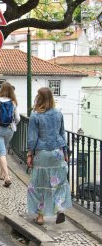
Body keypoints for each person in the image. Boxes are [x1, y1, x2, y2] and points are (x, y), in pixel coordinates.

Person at [26, 87, 72, 225]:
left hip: (42, 153)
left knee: (39, 184)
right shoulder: (59, 113)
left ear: (38, 98)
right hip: (57, 152)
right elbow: (62, 134)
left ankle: (40, 217)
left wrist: (29, 154)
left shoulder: (35, 115)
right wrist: (65, 152)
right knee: (58, 183)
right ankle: (59, 209)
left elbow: (32, 138)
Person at [0, 82, 20, 187]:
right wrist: (13, 124)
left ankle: (7, 176)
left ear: (1, 89)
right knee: (4, 151)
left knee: (1, 153)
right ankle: (1, 174)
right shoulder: (13, 102)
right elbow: (18, 118)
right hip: (10, 129)